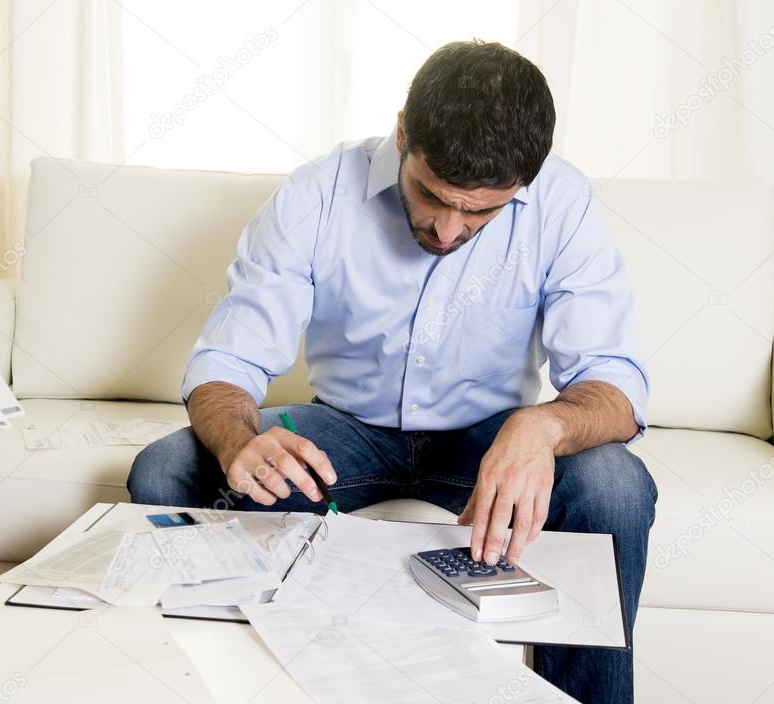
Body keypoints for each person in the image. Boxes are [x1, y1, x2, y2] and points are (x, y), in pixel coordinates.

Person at [128, 39, 657, 703]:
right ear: (403, 131)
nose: (446, 230)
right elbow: (228, 361)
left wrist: (543, 426)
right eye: (431, 195)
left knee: (615, 484)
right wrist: (239, 440)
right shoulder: (318, 192)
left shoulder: (562, 202)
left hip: (487, 440)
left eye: (481, 212)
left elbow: (614, 385)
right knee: (167, 469)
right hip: (343, 432)